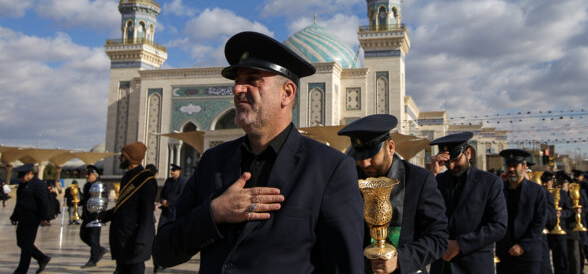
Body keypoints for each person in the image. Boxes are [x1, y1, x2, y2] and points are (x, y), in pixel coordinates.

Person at [152, 31, 365, 274]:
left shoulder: (327, 168)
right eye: (237, 81)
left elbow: (346, 265)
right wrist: (214, 213)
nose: (238, 89)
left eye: (253, 80)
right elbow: (163, 252)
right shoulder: (214, 162)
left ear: (287, 93)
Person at [338, 114, 448, 274]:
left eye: (371, 156)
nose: (364, 163)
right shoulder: (349, 180)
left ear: (390, 147)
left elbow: (438, 238)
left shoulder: (419, 180)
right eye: (359, 157)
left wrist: (400, 260)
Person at [427, 132, 507, 274]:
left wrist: (460, 244)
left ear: (468, 153)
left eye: (455, 160)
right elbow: (423, 213)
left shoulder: (489, 183)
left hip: (474, 264)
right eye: (446, 161)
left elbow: (498, 226)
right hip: (442, 265)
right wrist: (432, 175)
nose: (451, 166)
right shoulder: (437, 181)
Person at [99, 142, 158, 274]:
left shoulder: (146, 180)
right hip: (123, 238)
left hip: (134, 238)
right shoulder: (127, 177)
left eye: (123, 156)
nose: (120, 158)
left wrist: (142, 240)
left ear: (131, 157)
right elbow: (125, 207)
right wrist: (106, 215)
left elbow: (146, 214)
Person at [495, 149, 546, 274]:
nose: (511, 169)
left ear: (524, 167)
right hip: (505, 253)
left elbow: (539, 222)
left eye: (515, 166)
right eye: (508, 166)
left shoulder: (536, 191)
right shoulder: (498, 190)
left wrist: (523, 245)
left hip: (528, 255)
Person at [9, 164, 51, 274]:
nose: (20, 178)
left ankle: (22, 270)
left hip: (33, 218)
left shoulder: (39, 185)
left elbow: (43, 203)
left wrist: (43, 218)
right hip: (22, 218)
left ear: (30, 174)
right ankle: (42, 258)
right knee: (21, 243)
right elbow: (19, 203)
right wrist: (14, 216)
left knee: (26, 244)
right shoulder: (23, 184)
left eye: (22, 175)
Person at [79, 165, 108, 268]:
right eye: (86, 174)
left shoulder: (100, 186)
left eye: (89, 174)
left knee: (93, 238)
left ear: (95, 174)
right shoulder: (87, 186)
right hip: (87, 217)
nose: (86, 176)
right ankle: (99, 250)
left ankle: (93, 260)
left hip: (95, 217)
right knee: (83, 235)